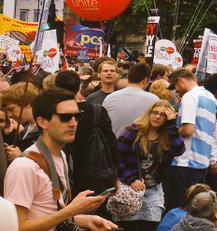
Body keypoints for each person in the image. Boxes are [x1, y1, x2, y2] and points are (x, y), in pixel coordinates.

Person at [4, 88, 117, 231]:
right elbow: (16, 227)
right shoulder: (24, 167)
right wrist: (71, 211)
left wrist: (81, 219)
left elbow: (48, 212)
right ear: (42, 122)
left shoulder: (60, 155)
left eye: (77, 116)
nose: (73, 123)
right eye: (65, 117)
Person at [115, 99, 186, 231]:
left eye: (162, 114)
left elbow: (179, 150)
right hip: (130, 188)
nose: (157, 116)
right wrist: (131, 179)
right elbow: (117, 157)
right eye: (154, 112)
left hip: (154, 188)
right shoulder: (133, 131)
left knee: (151, 226)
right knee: (129, 227)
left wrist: (172, 125)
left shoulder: (167, 134)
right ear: (149, 113)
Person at [52, 69, 119, 196]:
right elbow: (111, 145)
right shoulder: (96, 111)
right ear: (79, 88)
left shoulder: (51, 113)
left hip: (61, 174)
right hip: (93, 176)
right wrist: (114, 175)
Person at [167, 68, 217, 211]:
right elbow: (212, 130)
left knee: (181, 207)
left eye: (175, 86)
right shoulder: (210, 96)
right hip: (202, 161)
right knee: (194, 208)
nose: (175, 91)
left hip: (186, 161)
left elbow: (188, 130)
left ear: (180, 81)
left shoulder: (189, 97)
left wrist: (172, 127)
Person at [103, 63, 159, 138]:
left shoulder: (109, 98)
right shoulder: (153, 100)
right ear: (146, 80)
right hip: (140, 144)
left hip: (113, 143)